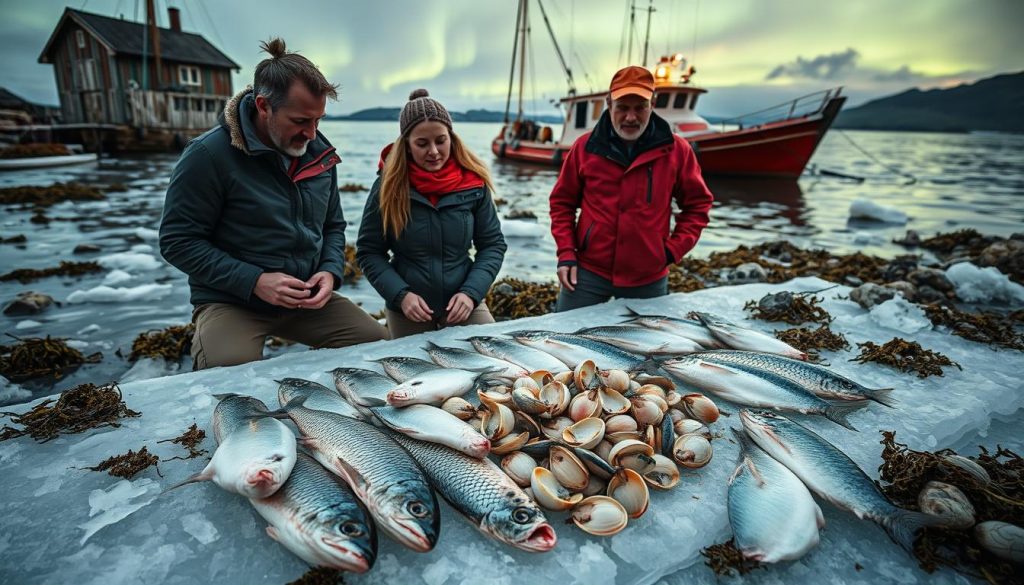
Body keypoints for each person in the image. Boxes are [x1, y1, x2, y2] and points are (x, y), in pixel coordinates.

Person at [159, 38, 387, 369]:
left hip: (307, 300)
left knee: (380, 348)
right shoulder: (207, 155)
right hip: (232, 301)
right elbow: (177, 241)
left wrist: (329, 271)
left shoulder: (319, 155)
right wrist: (255, 281)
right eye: (300, 121)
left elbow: (333, 226)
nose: (311, 134)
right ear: (264, 106)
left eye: (318, 120)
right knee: (224, 379)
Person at [549, 65, 714, 311]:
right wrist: (566, 253)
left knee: (649, 348)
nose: (630, 117)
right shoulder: (584, 148)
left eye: (640, 108)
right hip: (588, 274)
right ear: (609, 103)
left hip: (648, 278)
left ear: (653, 103)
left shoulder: (678, 151)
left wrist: (671, 251)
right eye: (623, 108)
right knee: (565, 338)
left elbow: (698, 206)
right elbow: (561, 203)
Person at [357, 89, 506, 339]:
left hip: (464, 305)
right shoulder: (387, 186)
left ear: (452, 137)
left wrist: (471, 293)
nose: (434, 151)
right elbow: (369, 251)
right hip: (408, 310)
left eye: (441, 140)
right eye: (422, 144)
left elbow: (492, 245)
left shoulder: (474, 183)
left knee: (494, 362)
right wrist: (401, 295)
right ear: (406, 144)